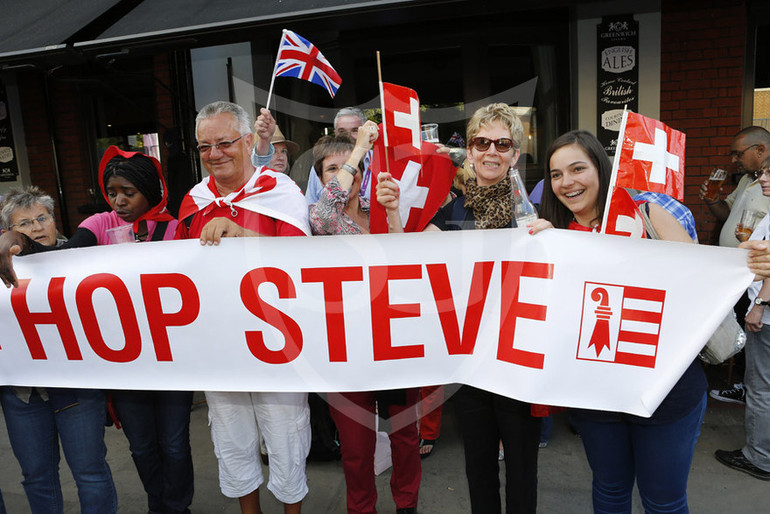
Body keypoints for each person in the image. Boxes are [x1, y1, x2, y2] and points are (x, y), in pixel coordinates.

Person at [528, 129, 706, 513]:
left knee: (664, 502)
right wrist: (543, 249)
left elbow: (704, 276)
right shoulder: (553, 234)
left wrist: (751, 262)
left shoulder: (646, 210)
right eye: (556, 174)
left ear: (601, 168)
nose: (566, 182)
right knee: (609, 491)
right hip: (595, 394)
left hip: (664, 389)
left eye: (577, 168)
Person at [378, 102, 541, 513]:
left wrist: (551, 235)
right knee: (478, 465)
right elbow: (410, 259)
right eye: (482, 142)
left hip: (518, 356)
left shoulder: (532, 212)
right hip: (469, 360)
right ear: (469, 151)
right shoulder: (454, 210)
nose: (491, 151)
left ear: (515, 155)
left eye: (502, 144)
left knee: (523, 466)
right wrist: (394, 212)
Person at [176, 101, 311, 514]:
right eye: (204, 147)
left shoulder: (282, 192)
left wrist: (242, 234)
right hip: (219, 342)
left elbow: (303, 262)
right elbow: (177, 271)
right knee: (231, 439)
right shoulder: (193, 201)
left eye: (224, 143)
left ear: (249, 141)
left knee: (286, 436)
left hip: (278, 342)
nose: (214, 154)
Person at [309, 125, 421, 514]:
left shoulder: (383, 207)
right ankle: (362, 509)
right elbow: (326, 209)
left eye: (352, 166)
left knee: (406, 438)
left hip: (395, 341)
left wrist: (393, 214)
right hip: (346, 349)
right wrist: (356, 152)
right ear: (321, 178)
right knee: (356, 449)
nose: (345, 174)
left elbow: (408, 265)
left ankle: (407, 504)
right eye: (331, 169)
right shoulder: (321, 219)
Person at [0, 186, 118, 514]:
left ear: (54, 219)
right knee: (37, 477)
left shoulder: (83, 259)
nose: (37, 227)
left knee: (90, 473)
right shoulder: (1, 270)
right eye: (24, 223)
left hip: (77, 390)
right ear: (8, 231)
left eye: (42, 217)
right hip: (24, 395)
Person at [701, 126, 770, 404]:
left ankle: (748, 388)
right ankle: (747, 385)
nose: (734, 160)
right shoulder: (747, 181)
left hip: (755, 273)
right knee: (743, 326)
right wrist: (713, 200)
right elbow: (727, 213)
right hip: (735, 270)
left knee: (751, 326)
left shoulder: (766, 184)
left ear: (760, 150)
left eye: (738, 154)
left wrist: (763, 299)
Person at [715, 155, 770, 481]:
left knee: (761, 386)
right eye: (763, 172)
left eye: (769, 173)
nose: (763, 178)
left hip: (767, 313)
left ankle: (759, 458)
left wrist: (760, 304)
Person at [305, 107, 372, 204]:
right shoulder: (322, 164)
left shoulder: (379, 159)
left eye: (355, 130)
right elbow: (310, 203)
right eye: (342, 132)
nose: (348, 136)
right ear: (335, 133)